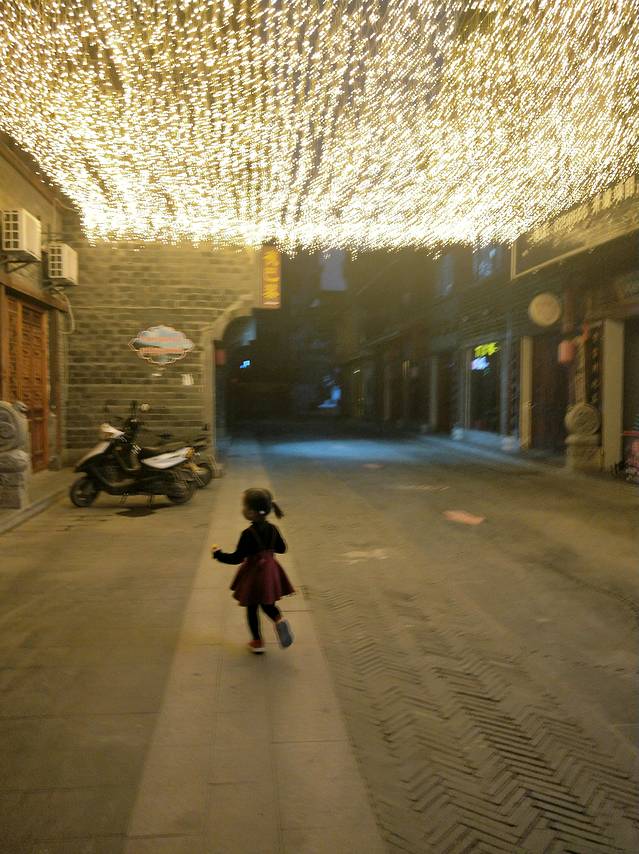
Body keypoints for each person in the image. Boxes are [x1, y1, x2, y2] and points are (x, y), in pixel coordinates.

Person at [212, 488, 295, 653]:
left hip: (254, 574)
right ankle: (279, 619)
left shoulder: (247, 534)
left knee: (252, 607)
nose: (243, 509)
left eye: (244, 506)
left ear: (251, 512)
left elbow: (237, 558)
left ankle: (258, 642)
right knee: (268, 604)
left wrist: (218, 554)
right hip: (270, 571)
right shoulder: (273, 529)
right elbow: (282, 548)